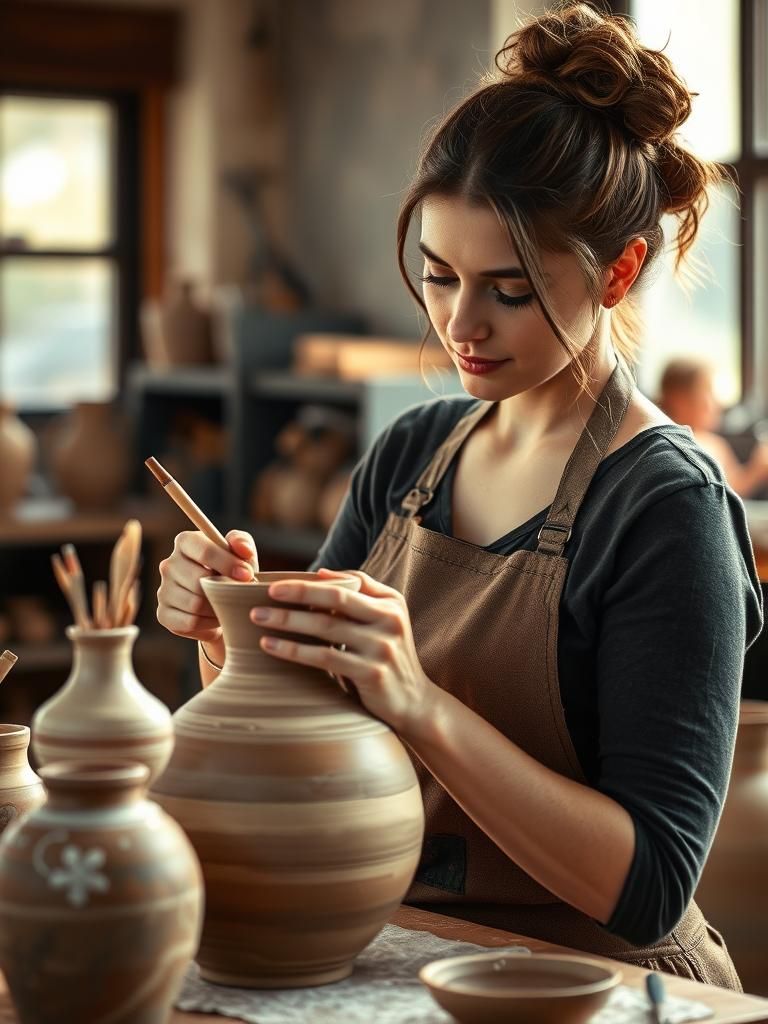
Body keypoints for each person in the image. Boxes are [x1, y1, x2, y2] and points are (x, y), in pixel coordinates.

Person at [156, 2, 762, 989]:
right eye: (439, 277)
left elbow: (649, 881)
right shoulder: (412, 454)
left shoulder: (664, 507)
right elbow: (316, 741)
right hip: (407, 952)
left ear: (619, 271)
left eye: (509, 290)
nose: (460, 324)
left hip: (595, 981)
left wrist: (420, 703)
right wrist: (230, 636)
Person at [659, 356, 768, 498]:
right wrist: (756, 471)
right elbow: (722, 496)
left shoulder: (714, 443)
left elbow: (734, 483)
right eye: (708, 391)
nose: (717, 402)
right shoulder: (689, 446)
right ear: (678, 400)